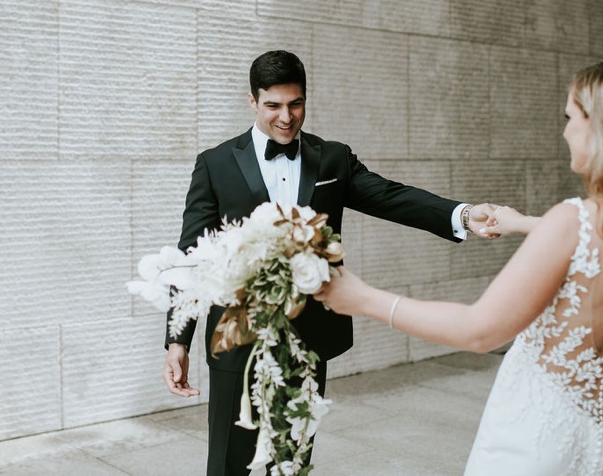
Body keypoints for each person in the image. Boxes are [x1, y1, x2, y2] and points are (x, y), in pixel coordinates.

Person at [314, 60, 603, 475]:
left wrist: (364, 299)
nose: (565, 131)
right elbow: (594, 245)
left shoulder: (571, 220)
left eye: (570, 117)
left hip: (538, 438)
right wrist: (522, 223)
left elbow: (478, 330)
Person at [164, 49, 495, 476]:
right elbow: (190, 256)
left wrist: (463, 214)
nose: (286, 116)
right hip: (236, 338)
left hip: (310, 336)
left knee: (294, 457)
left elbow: (391, 197)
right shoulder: (215, 164)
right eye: (273, 105)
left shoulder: (333, 159)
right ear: (252, 101)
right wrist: (177, 341)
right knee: (230, 463)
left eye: (295, 103)